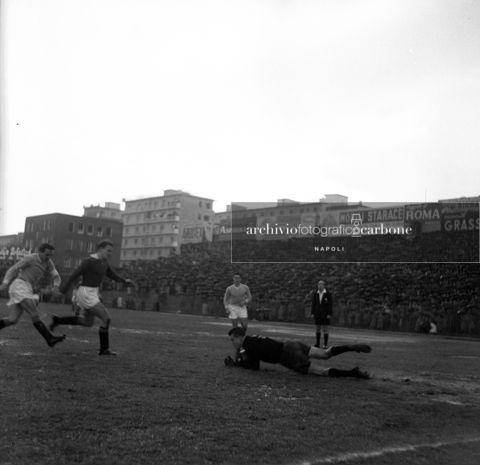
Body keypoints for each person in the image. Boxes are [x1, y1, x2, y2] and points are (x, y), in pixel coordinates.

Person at [50, 240, 135, 355]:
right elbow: (74, 274)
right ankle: (104, 350)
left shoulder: (104, 262)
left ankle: (58, 320)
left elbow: (112, 275)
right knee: (106, 318)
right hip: (86, 292)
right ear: (100, 249)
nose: (110, 253)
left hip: (93, 292)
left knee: (87, 322)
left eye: (111, 251)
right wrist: (63, 290)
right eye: (108, 251)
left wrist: (125, 281)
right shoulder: (89, 261)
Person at [225, 327, 371, 379]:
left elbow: (254, 367)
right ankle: (350, 347)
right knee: (325, 354)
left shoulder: (248, 346)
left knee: (321, 372)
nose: (232, 342)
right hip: (291, 344)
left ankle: (353, 373)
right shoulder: (251, 339)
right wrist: (240, 359)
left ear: (239, 337)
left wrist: (238, 365)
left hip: (287, 356)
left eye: (233, 339)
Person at [0, 243, 65, 347]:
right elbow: (13, 269)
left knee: (13, 319)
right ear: (40, 252)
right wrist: (5, 283)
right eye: (47, 254)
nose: (48, 257)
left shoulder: (48, 262)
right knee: (34, 313)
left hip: (27, 289)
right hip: (20, 286)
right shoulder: (30, 258)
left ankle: (50, 338)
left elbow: (56, 276)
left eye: (51, 255)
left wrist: (56, 286)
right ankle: (50, 338)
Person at [311, 280, 332, 348]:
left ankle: (325, 344)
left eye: (321, 284)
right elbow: (313, 304)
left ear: (324, 286)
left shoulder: (328, 294)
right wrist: (312, 313)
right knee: (317, 329)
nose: (319, 286)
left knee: (325, 329)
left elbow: (330, 304)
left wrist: (329, 313)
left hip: (325, 314)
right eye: (318, 284)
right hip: (317, 314)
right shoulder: (315, 293)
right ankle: (317, 343)